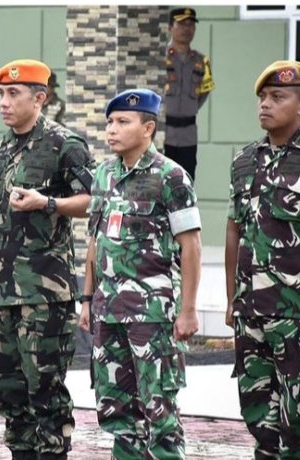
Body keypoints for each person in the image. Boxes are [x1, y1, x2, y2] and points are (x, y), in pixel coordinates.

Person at [0, 58, 95, 460]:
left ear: (40, 98)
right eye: (1, 94)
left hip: (44, 295)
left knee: (45, 395)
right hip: (0, 293)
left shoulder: (65, 144)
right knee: (8, 394)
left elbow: (93, 201)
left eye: (14, 94)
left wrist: (49, 202)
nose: (4, 103)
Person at [79, 89, 202, 460]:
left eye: (123, 122)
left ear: (148, 127)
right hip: (108, 311)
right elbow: (95, 242)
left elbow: (191, 246)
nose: (111, 130)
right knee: (115, 407)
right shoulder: (103, 174)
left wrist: (189, 310)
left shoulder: (171, 177)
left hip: (152, 314)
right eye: (110, 122)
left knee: (159, 407)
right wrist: (87, 300)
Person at [225, 60, 300, 459]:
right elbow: (233, 228)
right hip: (252, 313)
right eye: (262, 97)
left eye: (277, 97)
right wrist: (232, 297)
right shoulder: (245, 160)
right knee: (258, 419)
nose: (265, 104)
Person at [164, 7, 215, 181]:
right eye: (182, 24)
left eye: (191, 25)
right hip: (163, 133)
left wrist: (188, 109)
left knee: (186, 181)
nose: (187, 29)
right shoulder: (159, 58)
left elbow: (204, 93)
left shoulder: (201, 61)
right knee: (160, 183)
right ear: (170, 27)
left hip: (188, 136)